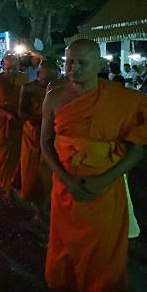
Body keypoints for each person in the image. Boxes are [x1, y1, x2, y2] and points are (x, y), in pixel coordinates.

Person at [41, 39, 147, 291]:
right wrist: (66, 181)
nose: (73, 68)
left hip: (106, 188)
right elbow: (45, 144)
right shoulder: (54, 97)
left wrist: (104, 180)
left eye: (82, 63)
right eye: (69, 62)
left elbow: (137, 152)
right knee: (65, 247)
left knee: (103, 253)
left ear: (98, 64)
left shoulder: (121, 98)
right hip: (66, 188)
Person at [18, 60, 59, 220]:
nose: (48, 81)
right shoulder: (29, 88)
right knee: (32, 172)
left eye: (52, 78)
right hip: (33, 134)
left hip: (54, 136)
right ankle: (38, 208)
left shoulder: (61, 88)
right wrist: (45, 119)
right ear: (38, 73)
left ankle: (48, 205)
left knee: (52, 172)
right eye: (44, 76)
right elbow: (22, 113)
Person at [0, 54, 27, 199]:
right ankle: (4, 182)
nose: (11, 71)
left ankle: (12, 183)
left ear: (19, 66)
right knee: (1, 149)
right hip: (1, 119)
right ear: (3, 65)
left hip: (18, 119)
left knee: (16, 153)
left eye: (14, 68)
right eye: (8, 68)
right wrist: (5, 113)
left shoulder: (24, 78)